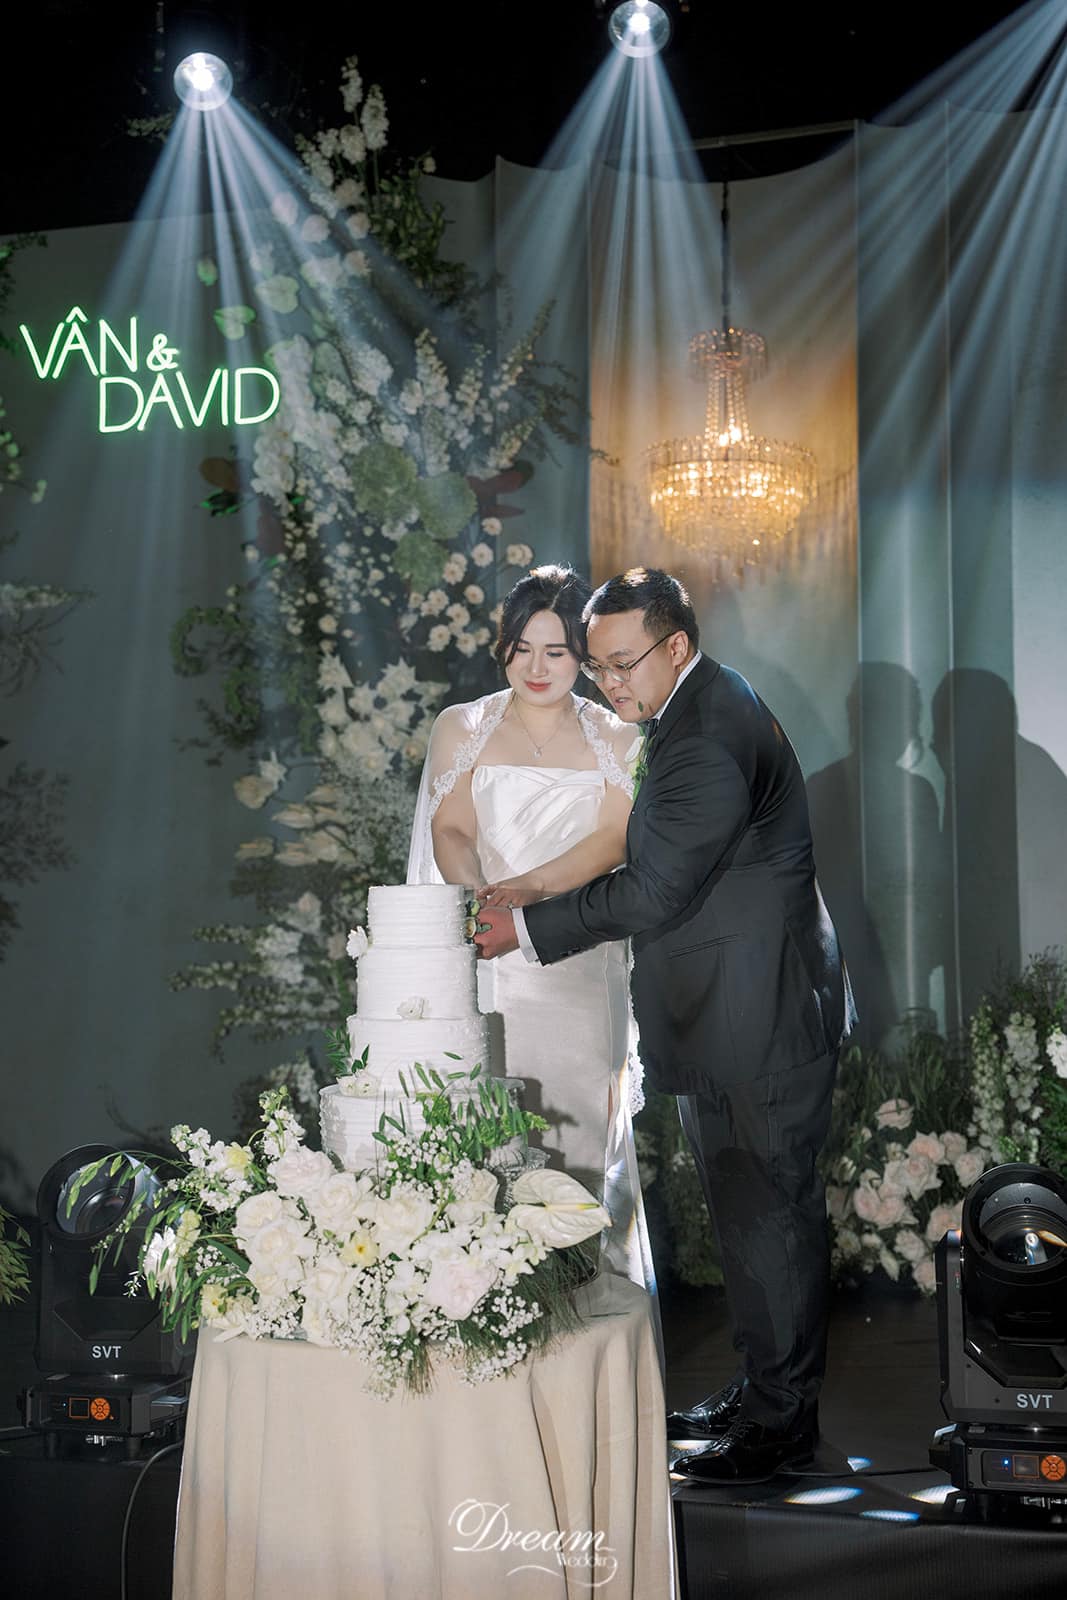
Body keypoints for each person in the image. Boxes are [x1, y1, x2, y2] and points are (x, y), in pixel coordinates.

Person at [475, 567, 855, 1485]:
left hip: (758, 1016)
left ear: (675, 646)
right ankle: (763, 1387)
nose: (607, 683)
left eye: (621, 664)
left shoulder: (707, 736)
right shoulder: (698, 703)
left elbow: (653, 889)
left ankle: (780, 1425)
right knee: (748, 1214)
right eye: (597, 665)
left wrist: (525, 928)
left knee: (769, 1217)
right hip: (738, 1008)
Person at [407, 563, 656, 1295]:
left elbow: (614, 838)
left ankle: (578, 1304)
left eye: (556, 651)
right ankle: (490, 1302)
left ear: (583, 654)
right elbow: (451, 827)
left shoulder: (617, 735)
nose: (537, 668)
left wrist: (531, 894)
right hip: (487, 957)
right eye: (522, 649)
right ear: (502, 646)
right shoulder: (462, 726)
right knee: (483, 1139)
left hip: (578, 965)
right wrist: (477, 903)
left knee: (576, 1138)